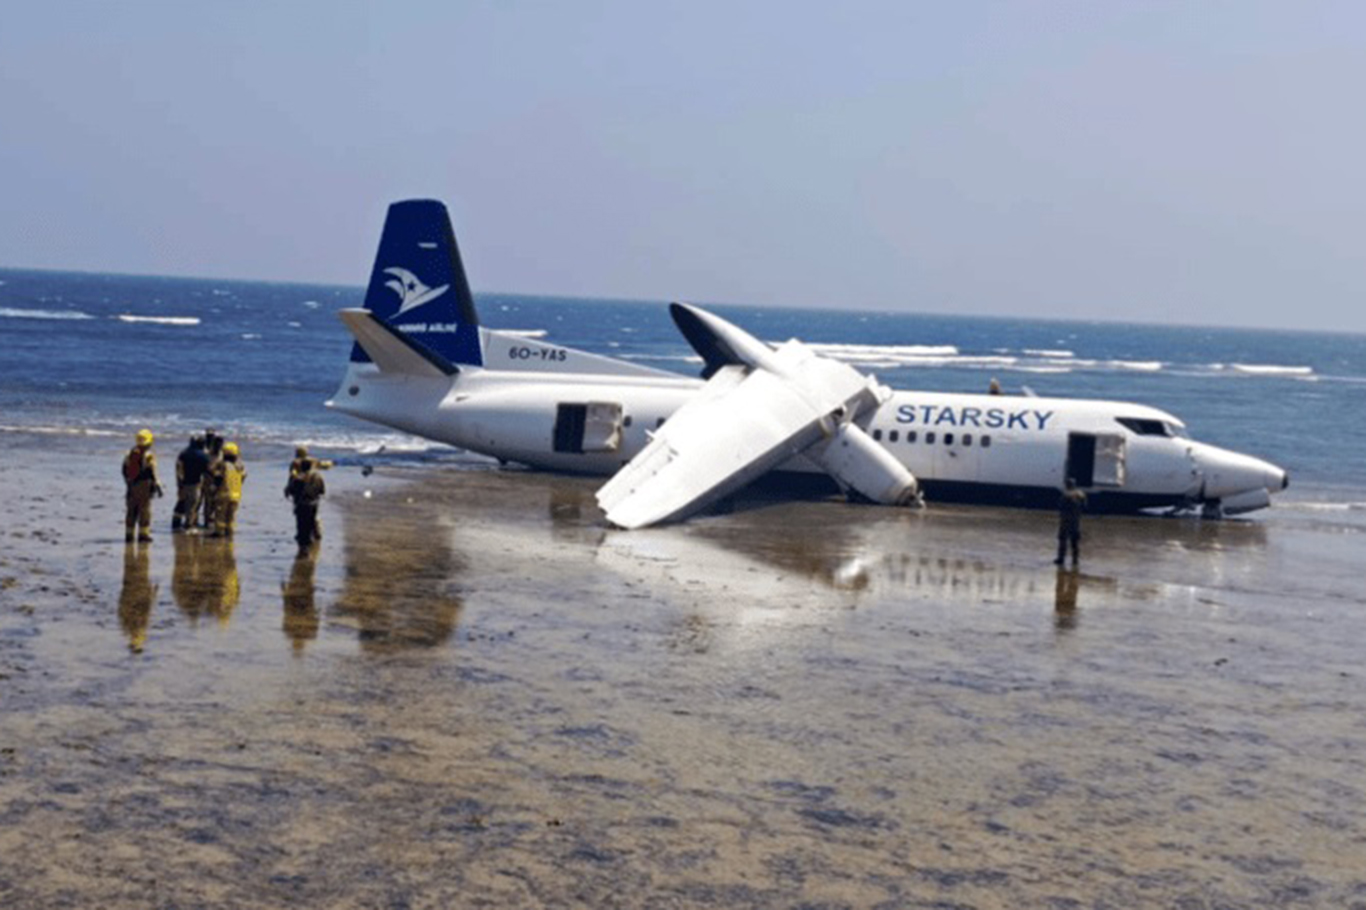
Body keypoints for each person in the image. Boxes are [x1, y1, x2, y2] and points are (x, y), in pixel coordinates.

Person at [121, 429, 163, 542]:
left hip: (131, 485)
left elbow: (124, 470)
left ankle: (129, 535)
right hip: (144, 485)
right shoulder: (149, 455)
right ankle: (143, 535)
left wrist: (128, 482)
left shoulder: (129, 453)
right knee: (144, 510)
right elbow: (153, 471)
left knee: (131, 510)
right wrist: (158, 486)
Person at [285, 457, 326, 553]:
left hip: (300, 505)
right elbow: (322, 491)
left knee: (301, 526)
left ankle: (304, 546)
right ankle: (310, 540)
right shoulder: (318, 477)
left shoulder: (296, 479)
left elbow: (289, 492)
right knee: (310, 523)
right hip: (313, 504)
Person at [172, 435, 209, 531]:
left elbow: (178, 468)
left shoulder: (183, 453)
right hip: (195, 483)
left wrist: (179, 483)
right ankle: (189, 525)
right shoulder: (202, 455)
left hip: (183, 482)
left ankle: (176, 523)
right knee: (192, 504)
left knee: (182, 502)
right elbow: (206, 470)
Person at [209, 441, 247, 537]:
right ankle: (230, 533)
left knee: (220, 516)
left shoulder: (223, 465)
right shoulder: (240, 467)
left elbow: (217, 476)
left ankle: (219, 533)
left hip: (224, 494)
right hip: (236, 495)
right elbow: (243, 477)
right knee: (231, 517)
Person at [1055, 477, 1087, 566]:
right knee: (1075, 542)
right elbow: (1085, 507)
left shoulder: (1065, 495)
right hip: (1076, 521)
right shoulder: (1081, 495)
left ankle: (1061, 559)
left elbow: (1061, 507)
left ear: (1067, 485)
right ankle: (1075, 560)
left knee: (1062, 541)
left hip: (1065, 521)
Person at [199, 428, 224, 531]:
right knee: (206, 501)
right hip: (207, 478)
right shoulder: (205, 451)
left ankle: (211, 520)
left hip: (215, 478)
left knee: (214, 501)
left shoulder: (220, 452)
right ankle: (206, 521)